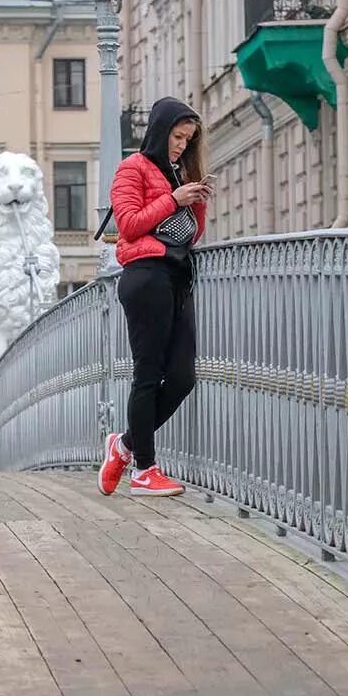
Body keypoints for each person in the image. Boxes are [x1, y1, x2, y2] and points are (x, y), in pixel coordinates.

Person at [98, 97, 212, 498]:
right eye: (177, 136)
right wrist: (174, 200)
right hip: (145, 276)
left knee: (182, 378)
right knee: (147, 374)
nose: (181, 145)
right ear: (160, 131)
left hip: (178, 277)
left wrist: (194, 201)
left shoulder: (178, 173)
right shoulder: (133, 168)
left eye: (188, 140)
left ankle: (125, 444)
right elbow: (128, 225)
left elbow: (189, 235)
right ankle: (144, 469)